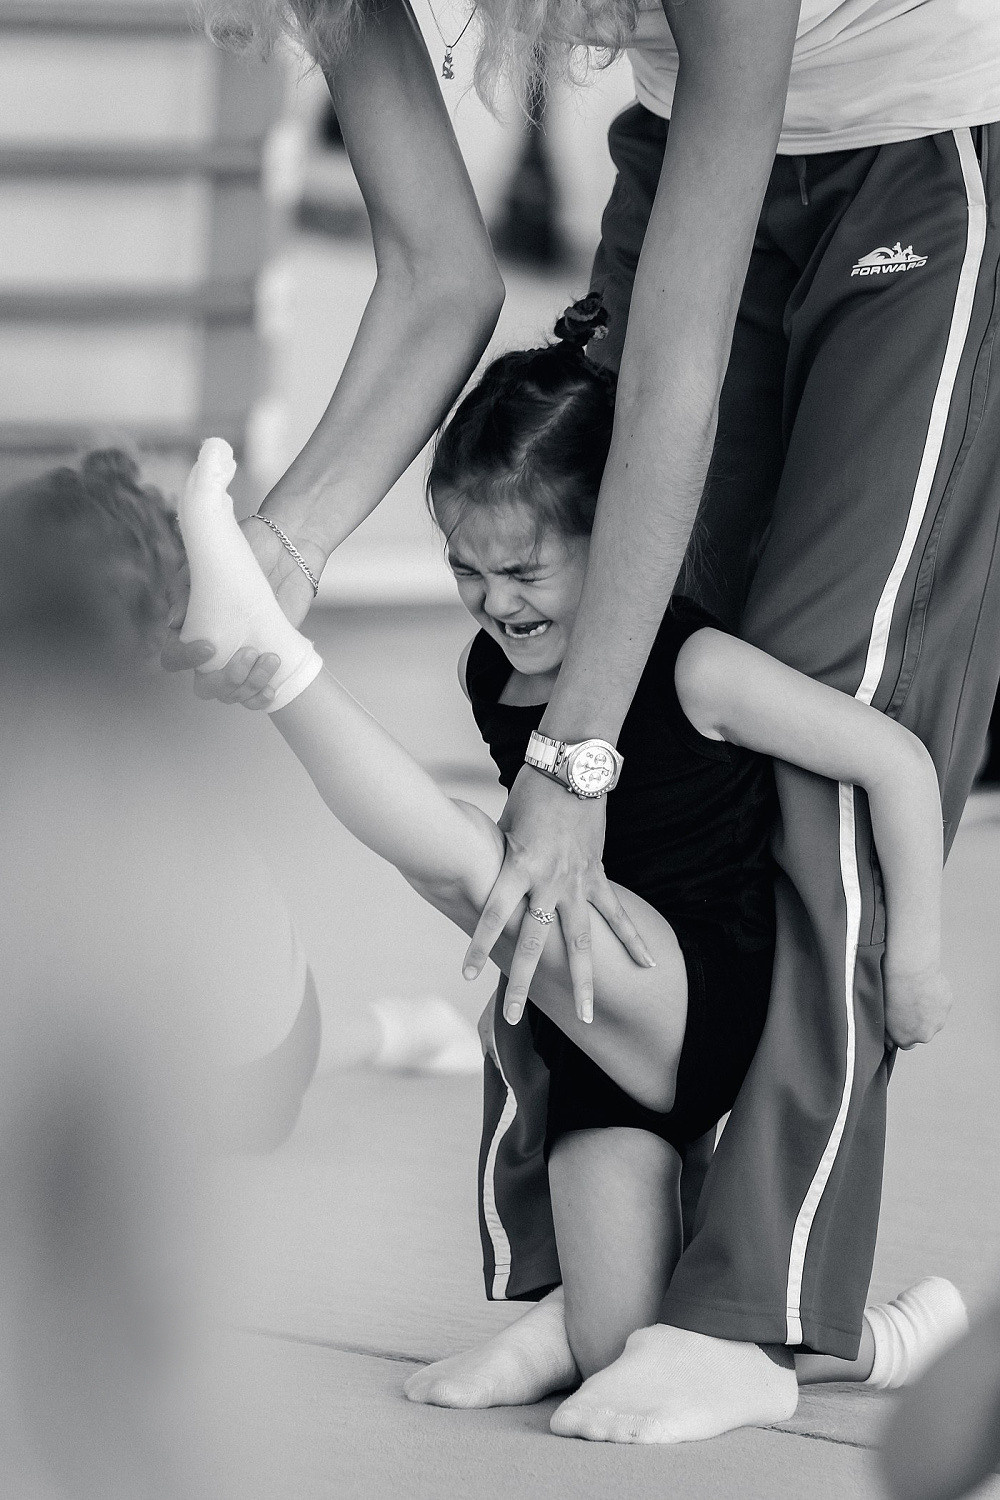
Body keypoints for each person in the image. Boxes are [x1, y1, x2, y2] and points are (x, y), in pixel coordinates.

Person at [170, 0, 1000, 1443]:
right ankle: (614, 1277)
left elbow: (675, 375)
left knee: (813, 698)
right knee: (546, 721)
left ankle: (767, 1312)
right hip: (686, 151)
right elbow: (440, 275)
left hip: (921, 151)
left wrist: (580, 759)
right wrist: (282, 559)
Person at [173, 422, 967, 1434]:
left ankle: (278, 666)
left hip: (696, 994)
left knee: (468, 867)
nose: (495, 601)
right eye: (464, 569)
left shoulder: (697, 666)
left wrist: (916, 961)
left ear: (616, 543)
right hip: (589, 1028)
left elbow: (895, 760)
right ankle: (879, 1339)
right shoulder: (489, 673)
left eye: (521, 570)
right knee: (616, 1352)